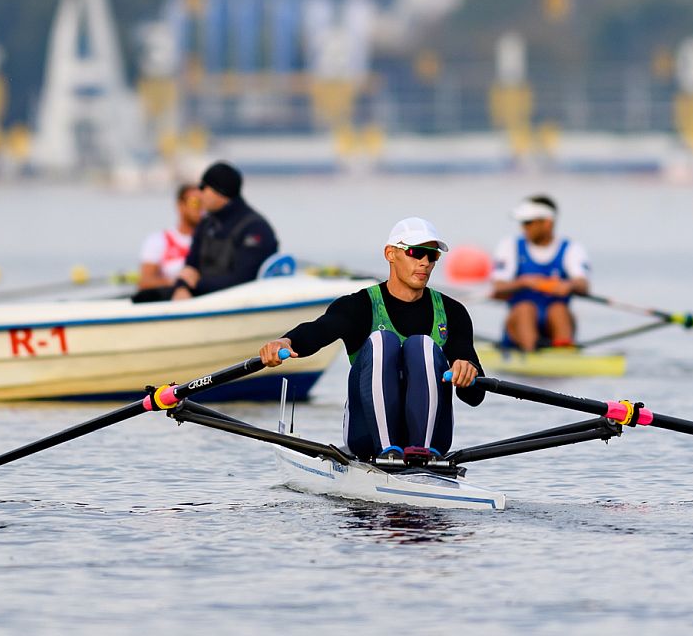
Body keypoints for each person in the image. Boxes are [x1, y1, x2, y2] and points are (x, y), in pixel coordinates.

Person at [260, 217, 484, 461]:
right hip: (366, 437)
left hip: (434, 441)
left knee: (422, 345)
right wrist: (285, 343)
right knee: (383, 341)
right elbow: (317, 332)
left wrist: (467, 371)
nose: (425, 263)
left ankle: (421, 450)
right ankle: (388, 449)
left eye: (433, 256)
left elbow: (475, 397)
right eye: (415, 252)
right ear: (390, 253)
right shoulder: (359, 306)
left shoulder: (452, 312)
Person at [491, 194, 590, 352]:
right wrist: (525, 282)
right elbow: (498, 288)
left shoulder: (571, 248)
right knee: (525, 308)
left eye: (528, 223)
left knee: (558, 309)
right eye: (523, 223)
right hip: (520, 323)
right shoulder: (510, 246)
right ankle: (532, 351)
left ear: (547, 223)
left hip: (556, 321)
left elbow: (583, 284)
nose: (523, 228)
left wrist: (569, 285)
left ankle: (563, 354)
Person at [170, 161, 277, 299]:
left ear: (220, 191)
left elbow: (244, 279)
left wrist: (197, 284)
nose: (199, 194)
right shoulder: (206, 224)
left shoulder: (255, 228)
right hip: (203, 299)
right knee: (147, 296)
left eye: (203, 187)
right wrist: (182, 287)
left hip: (241, 303)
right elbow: (190, 266)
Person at [132, 183, 205, 303]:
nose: (200, 208)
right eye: (195, 202)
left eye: (203, 203)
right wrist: (180, 283)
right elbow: (145, 282)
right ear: (180, 206)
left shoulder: (210, 241)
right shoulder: (158, 241)